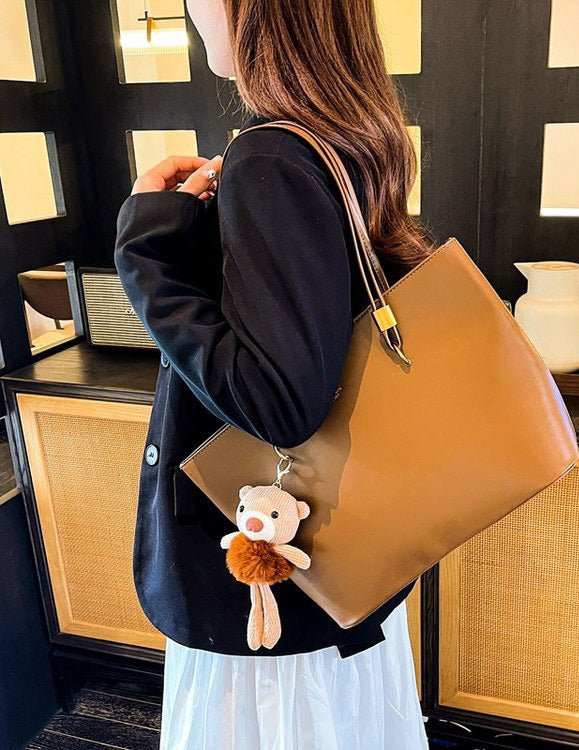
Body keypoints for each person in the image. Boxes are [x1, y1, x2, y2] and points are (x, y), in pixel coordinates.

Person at [113, 1, 435, 748]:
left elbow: (278, 400)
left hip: (265, 592)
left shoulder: (270, 157)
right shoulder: (343, 138)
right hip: (333, 554)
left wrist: (145, 248)